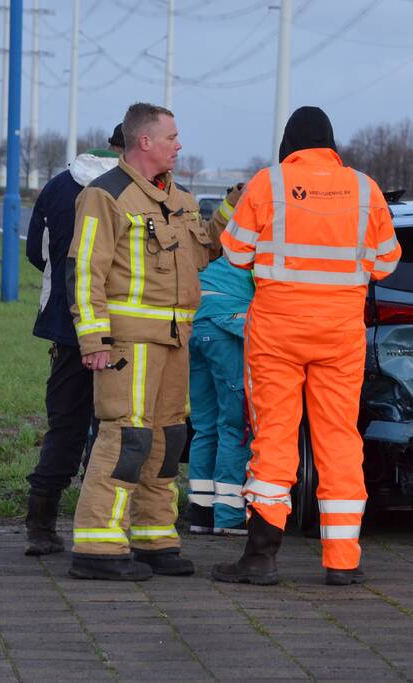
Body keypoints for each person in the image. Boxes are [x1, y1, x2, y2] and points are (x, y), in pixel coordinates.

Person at [213, 106, 401, 587]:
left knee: (274, 437)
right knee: (339, 438)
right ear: (331, 144)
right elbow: (386, 263)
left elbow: (234, 253)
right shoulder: (365, 188)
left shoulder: (268, 183)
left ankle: (260, 557)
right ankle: (342, 560)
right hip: (340, 334)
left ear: (289, 146)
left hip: (277, 330)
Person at [67, 102, 241, 581]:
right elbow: (85, 271)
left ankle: (153, 536)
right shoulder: (106, 195)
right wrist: (93, 340)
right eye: (172, 137)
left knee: (167, 440)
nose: (179, 145)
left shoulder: (181, 198)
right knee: (127, 436)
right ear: (144, 141)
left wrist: (231, 210)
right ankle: (98, 545)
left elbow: (202, 250)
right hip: (128, 344)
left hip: (175, 340)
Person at [23, 124, 124, 556]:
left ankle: (41, 526)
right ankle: (106, 520)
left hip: (68, 328)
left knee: (65, 424)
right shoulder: (134, 190)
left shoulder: (58, 185)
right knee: (117, 429)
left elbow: (36, 253)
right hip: (124, 331)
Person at [185, 245, 255, 536]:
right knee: (235, 425)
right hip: (229, 323)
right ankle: (229, 516)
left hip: (197, 322)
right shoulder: (272, 240)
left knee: (205, 426)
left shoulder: (237, 244)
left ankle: (201, 514)